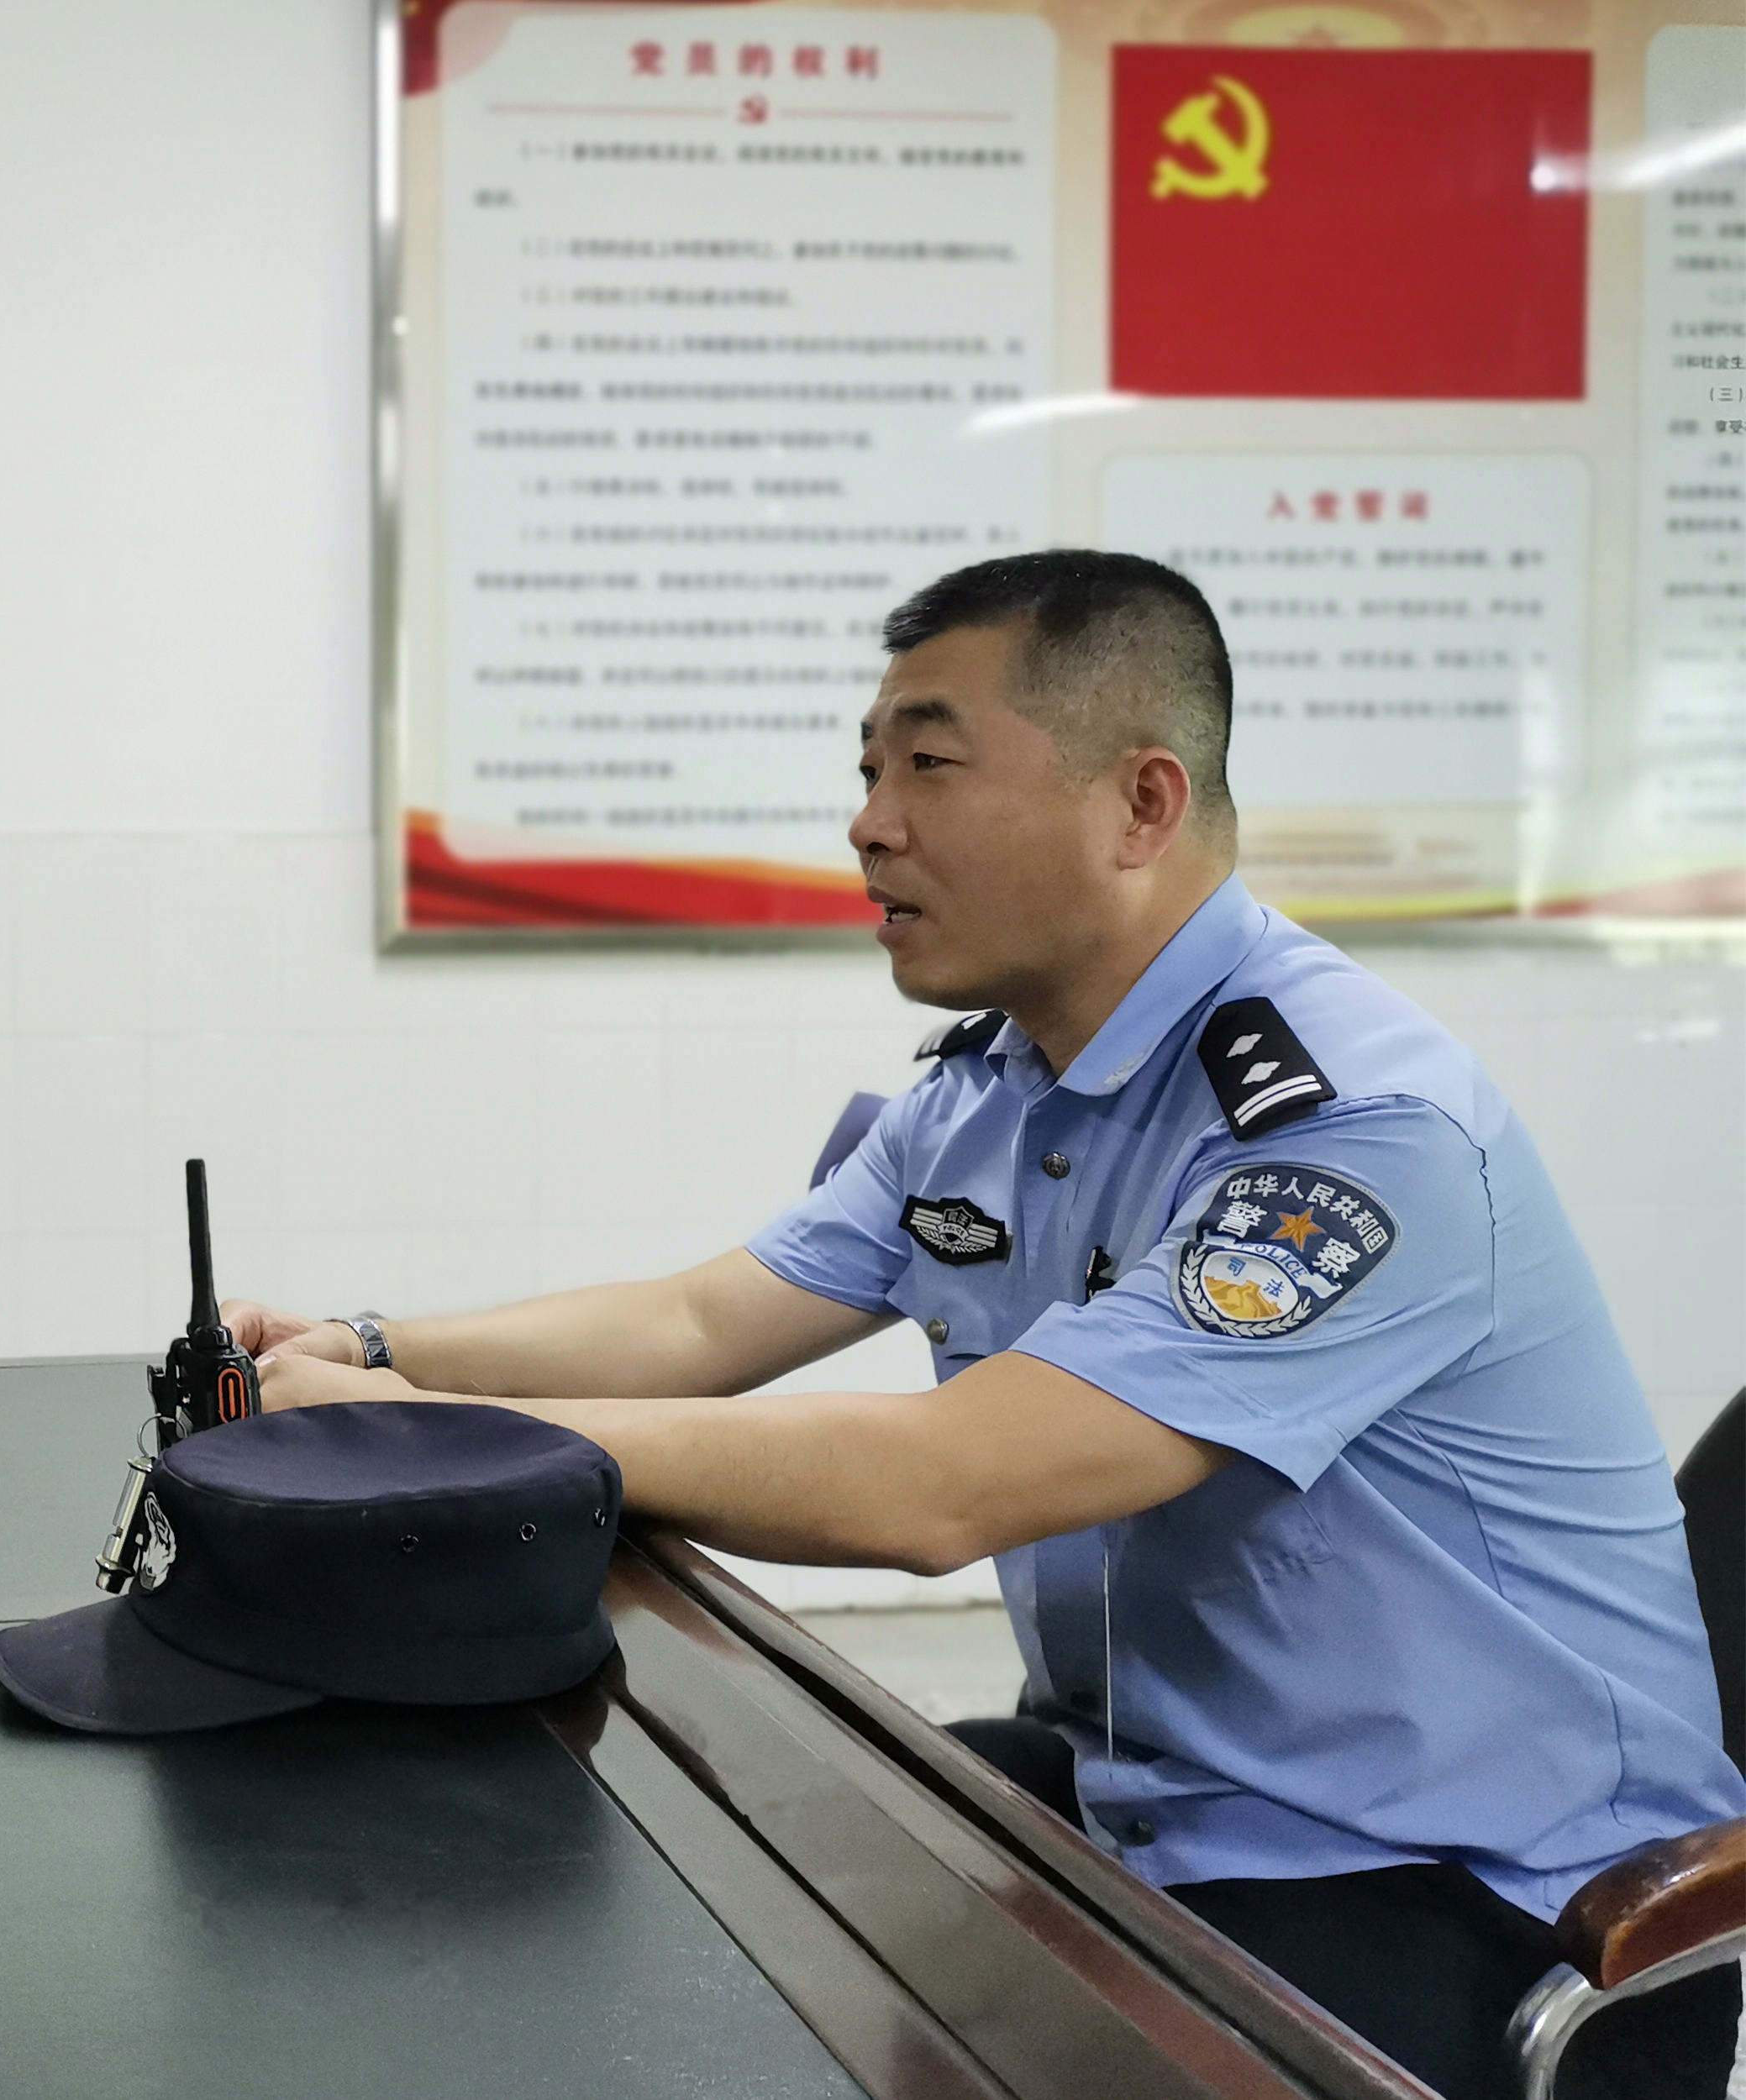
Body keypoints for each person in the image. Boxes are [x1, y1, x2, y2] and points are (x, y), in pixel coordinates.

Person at [228, 551, 1746, 2100]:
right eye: (869, 771)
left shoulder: (1348, 1135)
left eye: (931, 766)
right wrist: (374, 1351)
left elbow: (938, 1489)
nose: (870, 823)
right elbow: (696, 1321)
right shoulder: (990, 1094)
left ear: (1141, 805)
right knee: (722, 1907)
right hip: (1160, 1796)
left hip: (1483, 1888)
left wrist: (436, 1437)